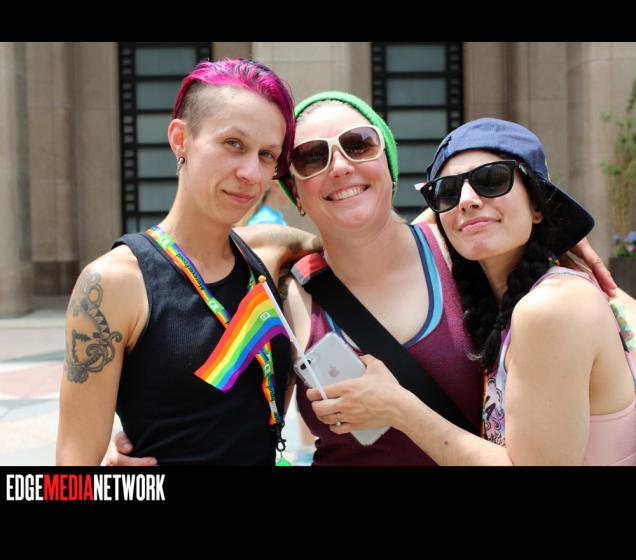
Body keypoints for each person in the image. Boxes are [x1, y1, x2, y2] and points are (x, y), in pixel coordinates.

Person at [108, 94, 616, 466]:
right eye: (312, 156)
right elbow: (232, 427)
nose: (340, 167)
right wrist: (147, 453)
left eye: (358, 145)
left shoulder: (463, 247)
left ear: (390, 168)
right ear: (295, 193)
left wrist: (556, 240)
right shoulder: (284, 292)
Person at [308, 118, 636, 465]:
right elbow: (386, 245)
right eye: (448, 192)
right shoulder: (508, 305)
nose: (466, 201)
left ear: (538, 206)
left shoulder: (552, 306)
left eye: (492, 180)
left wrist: (398, 406)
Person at [56, 58, 316, 466]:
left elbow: (369, 242)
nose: (251, 172)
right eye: (233, 143)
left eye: (267, 155)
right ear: (181, 139)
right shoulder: (114, 282)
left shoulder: (268, 252)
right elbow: (68, 477)